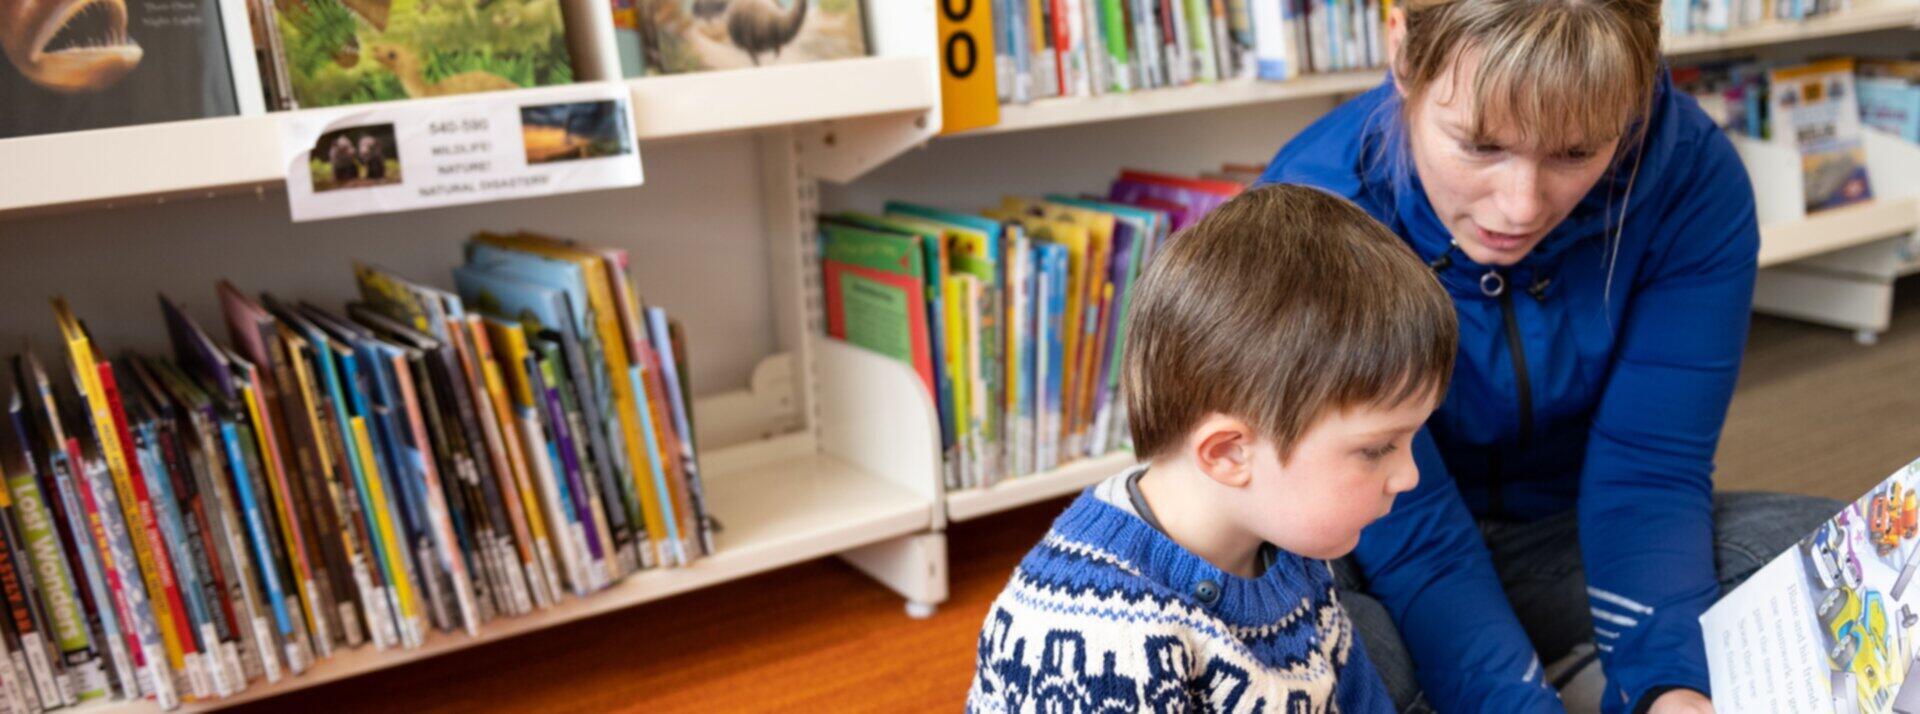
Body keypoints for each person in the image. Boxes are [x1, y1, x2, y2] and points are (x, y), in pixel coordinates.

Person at [1258, 2, 1841, 712]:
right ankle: (1535, 669)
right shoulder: (1316, 215)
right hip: (1379, 543)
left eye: (1575, 152)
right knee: (1343, 648)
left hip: (1569, 534)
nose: (1520, 208)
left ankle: (1569, 662)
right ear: (1403, 52)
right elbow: (1414, 537)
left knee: (1836, 566)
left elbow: (1651, 474)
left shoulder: (1693, 179)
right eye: (1479, 145)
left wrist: (1671, 689)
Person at [967, 185, 1455, 712]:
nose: (1409, 475)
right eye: (1378, 448)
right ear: (1228, 453)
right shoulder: (1097, 638)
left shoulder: (1286, 541)